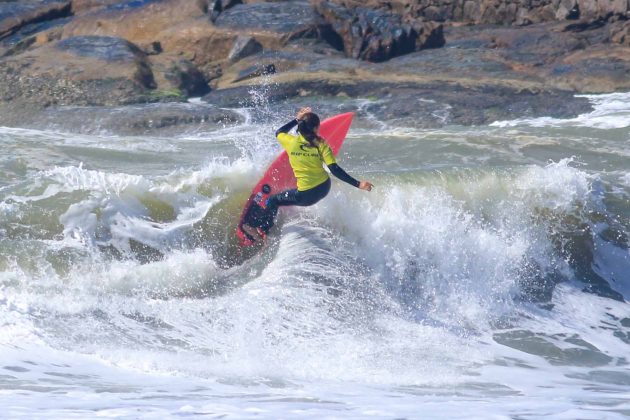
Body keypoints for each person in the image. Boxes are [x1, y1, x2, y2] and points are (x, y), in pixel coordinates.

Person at [239, 107, 373, 243]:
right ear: (315, 129)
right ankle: (267, 228)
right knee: (295, 190)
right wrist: (358, 184)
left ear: (300, 127)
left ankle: (262, 230)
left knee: (273, 201)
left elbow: (279, 132)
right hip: (323, 188)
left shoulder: (291, 142)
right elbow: (334, 169)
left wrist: (296, 120)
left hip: (304, 196)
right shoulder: (321, 145)